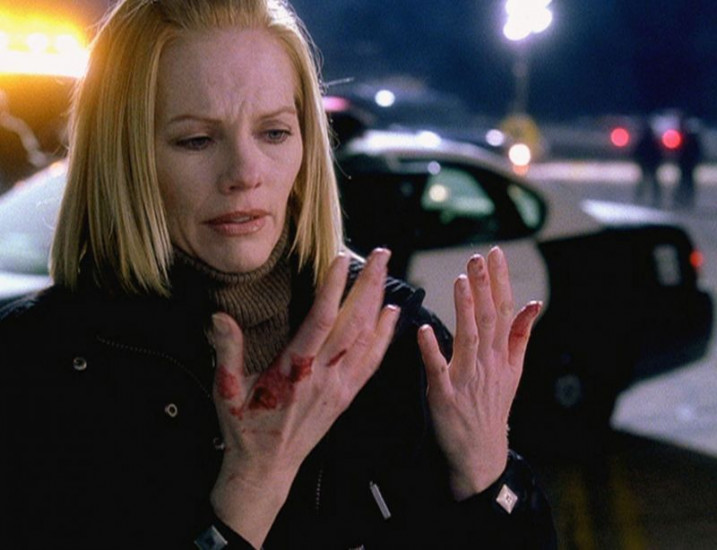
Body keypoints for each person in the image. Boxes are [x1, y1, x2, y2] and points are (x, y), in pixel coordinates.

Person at [0, 0, 556, 548]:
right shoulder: (37, 363)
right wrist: (251, 488)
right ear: (122, 157)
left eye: (274, 133)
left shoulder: (393, 340)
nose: (245, 173)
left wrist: (487, 474)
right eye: (196, 139)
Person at [674, 116, 702, 209]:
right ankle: (684, 200)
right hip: (687, 164)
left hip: (687, 164)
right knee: (687, 182)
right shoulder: (689, 139)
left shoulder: (686, 139)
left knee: (686, 182)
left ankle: (684, 200)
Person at [633, 118, 662, 206]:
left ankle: (640, 197)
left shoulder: (644, 141)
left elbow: (637, 152)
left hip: (646, 164)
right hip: (651, 164)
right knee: (652, 182)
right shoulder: (653, 141)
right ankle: (655, 199)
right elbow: (658, 153)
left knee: (644, 181)